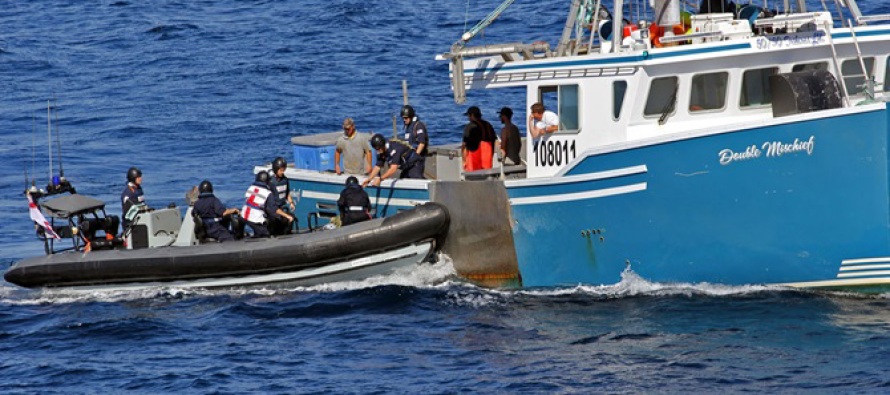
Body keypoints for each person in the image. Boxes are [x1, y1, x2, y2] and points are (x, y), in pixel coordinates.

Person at [242, 171, 292, 238]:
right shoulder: (267, 193)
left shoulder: (251, 188)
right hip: (255, 217)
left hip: (244, 215)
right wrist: (287, 216)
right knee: (266, 234)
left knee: (258, 229)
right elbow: (274, 209)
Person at [461, 106, 496, 172]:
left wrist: (464, 161)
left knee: (473, 180)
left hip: (473, 162)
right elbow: (493, 142)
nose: (468, 118)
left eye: (468, 116)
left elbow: (464, 145)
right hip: (487, 161)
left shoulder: (469, 127)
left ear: (472, 115)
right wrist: (491, 155)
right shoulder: (488, 125)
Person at [268, 156, 295, 234]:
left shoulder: (285, 180)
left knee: (290, 217)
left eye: (284, 170)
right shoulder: (271, 182)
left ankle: (286, 234)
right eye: (281, 170)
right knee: (278, 220)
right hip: (273, 209)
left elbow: (287, 193)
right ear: (276, 170)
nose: (282, 172)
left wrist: (291, 202)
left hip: (280, 207)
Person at [400, 105, 428, 177]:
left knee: (415, 178)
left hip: (416, 161)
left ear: (411, 116)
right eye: (403, 118)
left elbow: (421, 143)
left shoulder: (418, 126)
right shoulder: (408, 127)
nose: (404, 120)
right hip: (408, 161)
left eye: (406, 118)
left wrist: (415, 156)